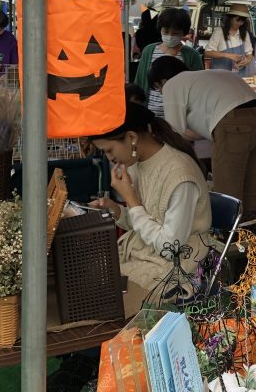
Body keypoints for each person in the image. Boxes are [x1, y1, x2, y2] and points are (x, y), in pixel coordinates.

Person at [89, 103, 212, 315]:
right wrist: (117, 211)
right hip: (145, 255)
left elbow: (170, 247)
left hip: (176, 264)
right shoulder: (138, 162)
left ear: (131, 137)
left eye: (109, 150)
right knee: (89, 283)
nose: (109, 158)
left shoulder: (179, 175)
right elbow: (147, 223)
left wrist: (131, 200)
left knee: (105, 305)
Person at [149, 57, 256, 213]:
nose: (161, 92)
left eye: (157, 88)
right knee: (252, 194)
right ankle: (254, 226)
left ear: (163, 81)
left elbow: (173, 133)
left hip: (233, 124)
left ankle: (233, 228)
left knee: (229, 196)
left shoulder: (171, 84)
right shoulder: (207, 77)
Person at [134, 7, 204, 117]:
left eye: (175, 33)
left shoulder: (192, 55)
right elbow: (139, 81)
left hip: (180, 116)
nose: (170, 36)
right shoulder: (149, 51)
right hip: (151, 113)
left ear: (183, 33)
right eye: (166, 31)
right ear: (160, 29)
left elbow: (199, 87)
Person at [205, 3, 254, 76]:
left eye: (242, 21)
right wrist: (227, 55)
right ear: (230, 18)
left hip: (239, 76)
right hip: (220, 77)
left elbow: (249, 54)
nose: (240, 23)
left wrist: (246, 61)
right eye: (237, 20)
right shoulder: (219, 32)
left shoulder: (245, 34)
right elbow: (207, 52)